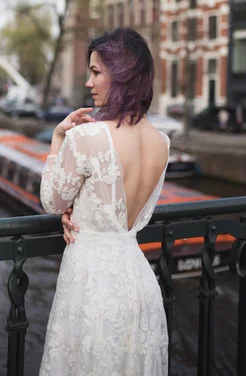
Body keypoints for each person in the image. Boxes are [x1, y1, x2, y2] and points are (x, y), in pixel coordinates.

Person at [39, 28, 170, 376]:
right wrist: (82, 210)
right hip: (138, 281)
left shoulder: (86, 136)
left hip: (92, 283)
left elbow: (52, 201)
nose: (88, 82)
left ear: (122, 73)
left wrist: (57, 137)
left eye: (96, 72)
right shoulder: (162, 143)